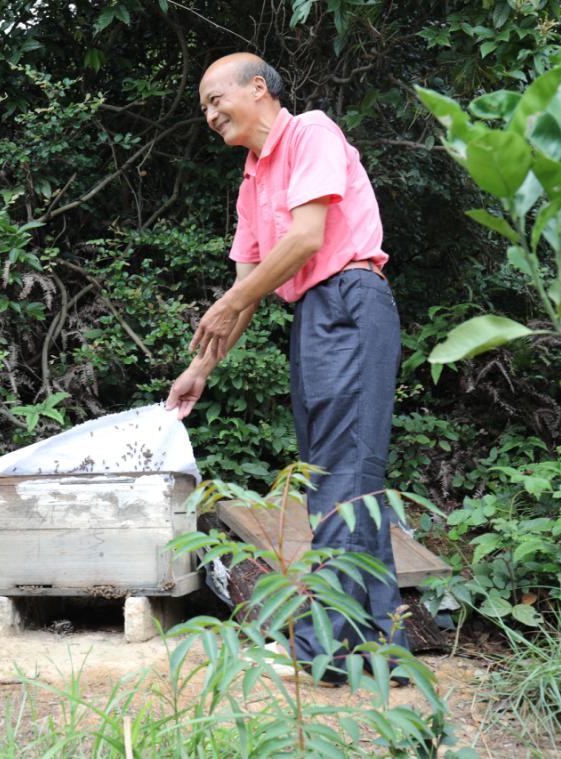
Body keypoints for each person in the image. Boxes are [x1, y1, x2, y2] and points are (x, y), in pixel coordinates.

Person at [166, 53, 408, 684]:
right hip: (314, 315)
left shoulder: (312, 133)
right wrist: (201, 370)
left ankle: (322, 652)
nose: (211, 114)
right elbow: (246, 285)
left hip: (351, 299)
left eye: (217, 99)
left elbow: (304, 239)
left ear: (259, 88)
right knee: (342, 475)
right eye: (204, 109)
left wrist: (231, 302)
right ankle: (373, 652)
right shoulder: (251, 179)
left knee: (345, 478)